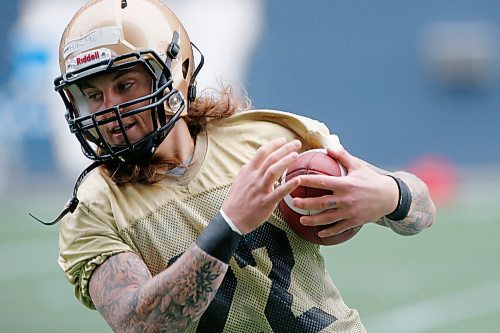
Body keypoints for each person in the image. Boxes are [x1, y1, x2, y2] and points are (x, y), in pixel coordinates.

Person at [45, 0, 436, 332]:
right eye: (92, 95)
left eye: (125, 86)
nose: (108, 109)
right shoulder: (93, 208)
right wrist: (229, 225)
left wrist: (389, 195)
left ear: (175, 73)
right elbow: (140, 324)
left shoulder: (264, 139)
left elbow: (422, 210)